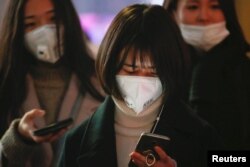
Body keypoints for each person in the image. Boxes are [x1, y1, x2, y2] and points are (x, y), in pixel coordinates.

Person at [58, 4, 222, 167]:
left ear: (170, 71)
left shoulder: (201, 136)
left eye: (154, 73)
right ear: (110, 65)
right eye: (130, 71)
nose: (142, 82)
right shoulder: (76, 142)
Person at [0, 0, 104, 166]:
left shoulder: (101, 80)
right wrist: (19, 137)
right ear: (17, 30)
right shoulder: (5, 84)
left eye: (53, 18)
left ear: (68, 20)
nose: (45, 29)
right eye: (31, 24)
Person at [163, 0, 250, 150]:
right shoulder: (158, 71)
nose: (204, 16)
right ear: (173, 14)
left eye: (215, 6)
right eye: (193, 7)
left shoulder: (245, 72)